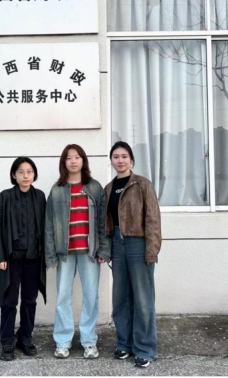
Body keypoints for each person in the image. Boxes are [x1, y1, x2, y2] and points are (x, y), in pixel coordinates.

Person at [45, 144, 110, 359]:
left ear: (83, 160)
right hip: (64, 253)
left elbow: (102, 222)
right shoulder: (57, 190)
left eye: (77, 157)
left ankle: (89, 341)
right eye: (69, 157)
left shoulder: (94, 188)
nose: (73, 161)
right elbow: (49, 225)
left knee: (91, 297)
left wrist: (104, 249)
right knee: (63, 296)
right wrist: (51, 256)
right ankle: (62, 341)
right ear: (63, 162)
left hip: (89, 252)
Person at [105, 141, 162, 368]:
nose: (120, 160)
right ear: (111, 160)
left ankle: (144, 348)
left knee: (142, 297)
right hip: (117, 244)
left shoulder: (142, 184)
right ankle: (124, 344)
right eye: (116, 156)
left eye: (124, 156)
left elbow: (153, 219)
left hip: (138, 243)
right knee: (120, 297)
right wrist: (106, 249)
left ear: (131, 159)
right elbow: (107, 222)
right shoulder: (108, 188)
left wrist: (152, 249)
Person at [0, 157, 47, 361]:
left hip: (34, 257)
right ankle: (7, 341)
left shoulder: (40, 196)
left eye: (29, 171)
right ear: (14, 175)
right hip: (11, 259)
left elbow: (46, 227)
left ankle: (25, 337)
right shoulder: (5, 196)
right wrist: (1, 256)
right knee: (9, 301)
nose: (26, 176)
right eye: (21, 172)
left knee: (30, 300)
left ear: (34, 174)